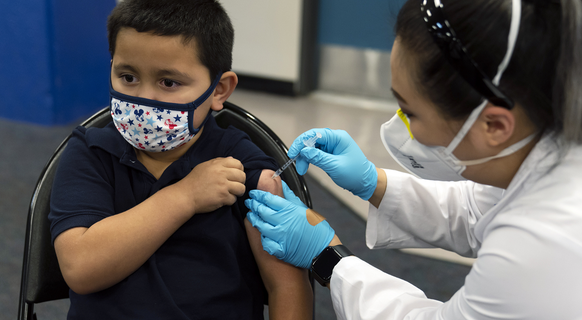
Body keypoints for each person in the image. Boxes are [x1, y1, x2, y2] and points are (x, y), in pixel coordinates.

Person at [245, 0, 582, 319]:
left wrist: (328, 256)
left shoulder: (544, 245)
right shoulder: (548, 138)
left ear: (494, 125)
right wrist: (371, 182)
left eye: (409, 112)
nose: (400, 125)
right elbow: (477, 212)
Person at [48, 0, 313, 319]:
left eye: (168, 82)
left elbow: (287, 287)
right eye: (128, 77)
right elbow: (81, 268)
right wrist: (185, 196)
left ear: (219, 90)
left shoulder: (246, 167)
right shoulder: (91, 153)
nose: (144, 99)